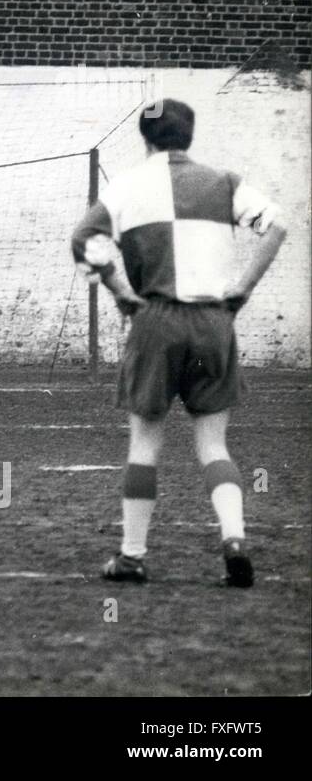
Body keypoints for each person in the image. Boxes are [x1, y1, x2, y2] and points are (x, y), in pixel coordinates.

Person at [71, 99, 285, 587]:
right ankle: (234, 539)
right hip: (214, 321)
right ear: (189, 134)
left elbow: (85, 238)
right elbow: (277, 226)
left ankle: (131, 556)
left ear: (145, 137)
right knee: (213, 443)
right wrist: (242, 289)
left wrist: (122, 294)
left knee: (145, 442)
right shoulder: (224, 182)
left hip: (157, 320)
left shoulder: (126, 186)